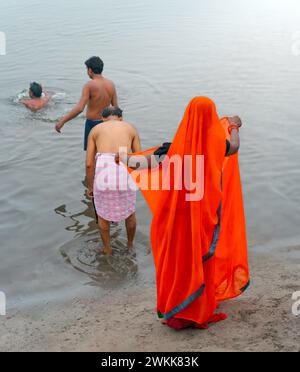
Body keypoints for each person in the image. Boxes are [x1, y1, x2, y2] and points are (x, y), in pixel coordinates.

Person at [118, 97, 249, 330]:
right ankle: (198, 311)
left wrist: (124, 158)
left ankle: (175, 310)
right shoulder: (218, 144)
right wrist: (233, 127)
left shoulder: (173, 148)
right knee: (202, 261)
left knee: (178, 262)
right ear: (211, 116)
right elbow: (235, 147)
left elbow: (144, 163)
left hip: (174, 219)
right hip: (203, 217)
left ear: (187, 116)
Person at [86, 106, 141, 256]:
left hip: (104, 171)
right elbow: (138, 159)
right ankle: (130, 246)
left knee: (102, 215)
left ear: (103, 118)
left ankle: (108, 249)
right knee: (130, 213)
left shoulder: (96, 129)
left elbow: (89, 164)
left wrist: (90, 187)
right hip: (124, 166)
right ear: (120, 118)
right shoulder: (130, 128)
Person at [55, 56, 118, 151]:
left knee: (91, 156)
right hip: (107, 124)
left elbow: (80, 108)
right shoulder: (111, 84)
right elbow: (116, 109)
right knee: (105, 153)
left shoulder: (89, 85)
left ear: (90, 70)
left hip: (92, 124)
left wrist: (62, 121)